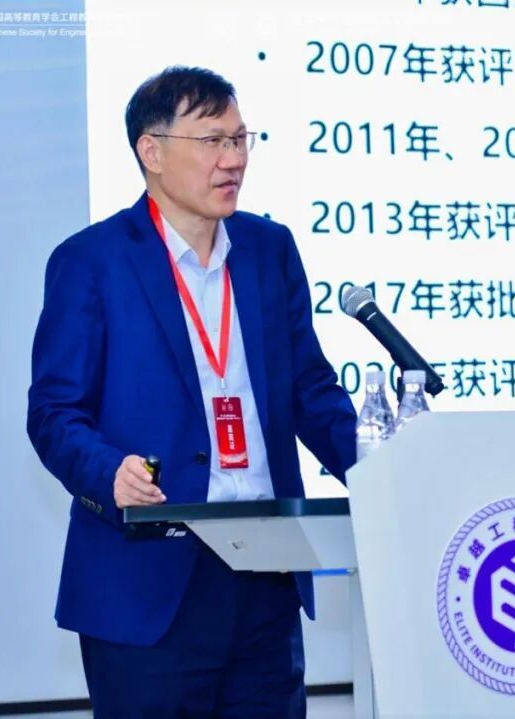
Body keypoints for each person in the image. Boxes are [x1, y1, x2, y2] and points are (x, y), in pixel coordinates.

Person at [27, 65, 356, 717]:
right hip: (149, 580)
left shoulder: (268, 249)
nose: (233, 159)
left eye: (240, 139)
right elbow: (54, 412)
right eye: (212, 141)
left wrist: (387, 474)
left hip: (266, 572)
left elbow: (310, 389)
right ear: (151, 151)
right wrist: (108, 470)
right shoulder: (92, 261)